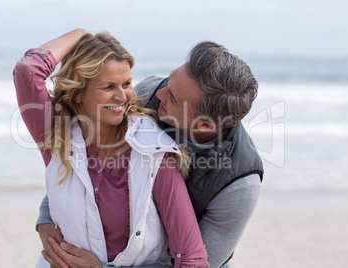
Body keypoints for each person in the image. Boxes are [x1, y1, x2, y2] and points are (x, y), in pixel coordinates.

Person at [36, 31, 264, 268]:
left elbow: (193, 264)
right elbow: (85, 159)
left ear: (205, 124)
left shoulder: (239, 187)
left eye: (173, 97)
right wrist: (47, 217)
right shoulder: (151, 92)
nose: (159, 94)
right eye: (169, 80)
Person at [13, 29, 209, 267]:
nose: (123, 96)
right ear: (77, 93)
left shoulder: (154, 153)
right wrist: (81, 34)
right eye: (108, 87)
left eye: (126, 83)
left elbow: (192, 259)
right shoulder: (56, 135)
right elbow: (28, 70)